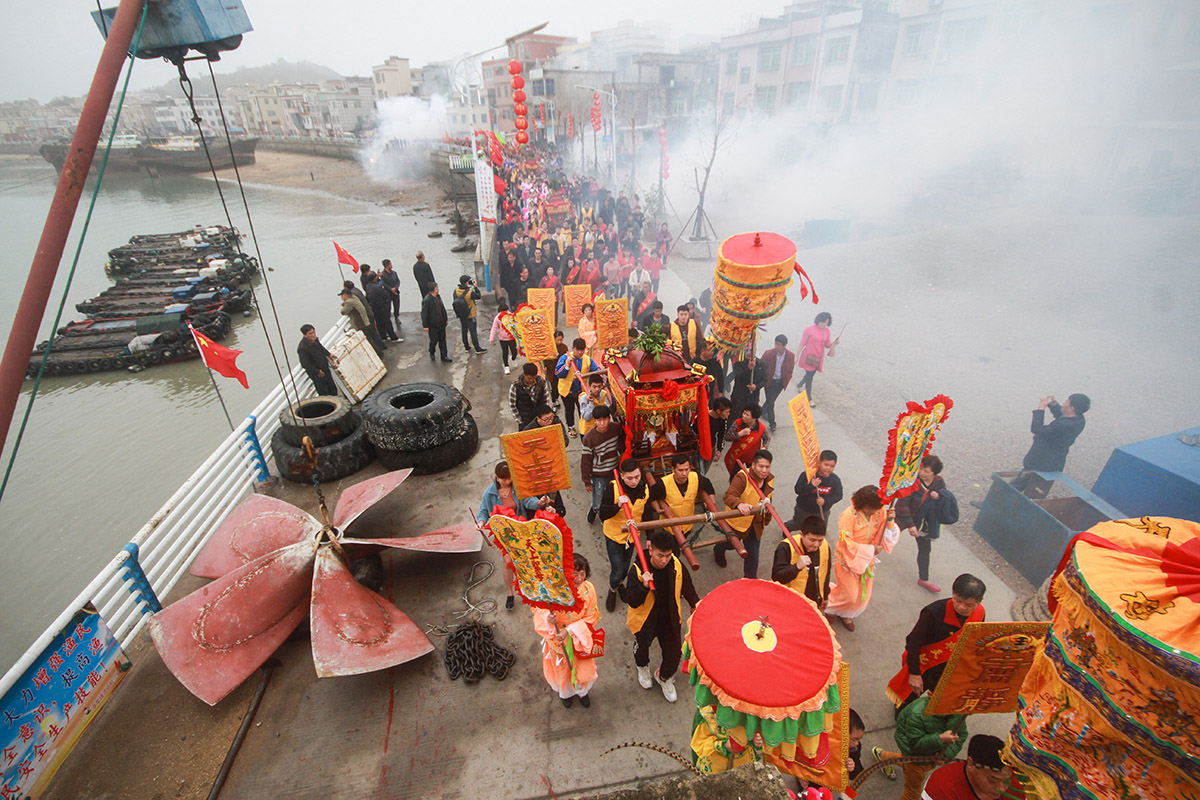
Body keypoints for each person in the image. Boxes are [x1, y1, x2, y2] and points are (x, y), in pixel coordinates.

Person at [619, 529, 700, 703]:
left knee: (674, 656)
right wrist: (643, 586)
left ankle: (663, 677)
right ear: (651, 551)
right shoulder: (638, 570)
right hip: (645, 621)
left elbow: (687, 586)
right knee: (641, 650)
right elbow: (631, 600)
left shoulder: (676, 564)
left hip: (669, 618)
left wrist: (695, 604)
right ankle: (643, 667)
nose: (664, 560)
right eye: (660, 555)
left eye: (668, 555)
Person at [885, 573, 986, 710]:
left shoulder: (980, 613)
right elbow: (913, 642)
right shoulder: (934, 612)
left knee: (941, 705)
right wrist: (914, 674)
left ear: (979, 602)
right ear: (953, 593)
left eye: (969, 605)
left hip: (948, 666)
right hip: (925, 665)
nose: (962, 607)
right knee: (906, 705)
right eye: (958, 600)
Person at [824, 486, 900, 631]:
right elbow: (847, 542)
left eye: (875, 508)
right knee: (850, 596)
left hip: (867, 559)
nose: (872, 512)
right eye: (869, 508)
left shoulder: (880, 512)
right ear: (861, 503)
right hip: (848, 560)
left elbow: (886, 531)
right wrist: (870, 550)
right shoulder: (848, 515)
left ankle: (846, 614)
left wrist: (890, 520)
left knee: (861, 596)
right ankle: (830, 608)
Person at [533, 553, 601, 708]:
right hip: (558, 642)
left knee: (583, 670)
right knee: (563, 673)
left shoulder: (588, 589)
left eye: (582, 574)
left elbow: (591, 616)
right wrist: (548, 619)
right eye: (574, 574)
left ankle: (582, 692)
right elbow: (539, 610)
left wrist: (570, 631)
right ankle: (565, 694)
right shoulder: (551, 591)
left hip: (579, 640)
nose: (578, 578)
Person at [477, 461, 547, 610]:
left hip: (521, 527)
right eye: (504, 479)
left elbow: (528, 501)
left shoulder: (518, 488)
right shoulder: (489, 493)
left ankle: (533, 587)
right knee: (508, 562)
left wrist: (538, 502)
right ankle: (510, 593)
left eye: (509, 478)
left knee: (529, 558)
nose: (507, 481)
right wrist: (481, 523)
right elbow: (483, 511)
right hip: (505, 533)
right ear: (497, 477)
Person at [872, 693, 967, 800]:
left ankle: (883, 756)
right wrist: (940, 739)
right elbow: (916, 743)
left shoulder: (956, 712)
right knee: (912, 792)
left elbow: (961, 734)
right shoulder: (916, 714)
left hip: (930, 757)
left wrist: (945, 755)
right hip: (915, 755)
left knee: (906, 763)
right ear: (931, 694)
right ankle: (883, 757)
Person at [895, 454, 959, 593]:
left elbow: (944, 494)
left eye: (926, 471)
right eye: (921, 469)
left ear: (934, 473)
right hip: (905, 515)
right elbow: (903, 503)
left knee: (925, 550)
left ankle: (924, 579)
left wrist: (939, 495)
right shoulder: (911, 481)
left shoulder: (939, 482)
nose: (921, 473)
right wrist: (910, 525)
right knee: (887, 535)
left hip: (923, 521)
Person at [714, 449, 775, 579]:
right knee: (729, 545)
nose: (764, 470)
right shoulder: (742, 477)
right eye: (761, 466)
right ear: (753, 465)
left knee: (753, 556)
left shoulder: (769, 479)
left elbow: (768, 499)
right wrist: (739, 504)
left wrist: (767, 517)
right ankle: (718, 550)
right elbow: (729, 496)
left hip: (755, 524)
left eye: (767, 467)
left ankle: (750, 580)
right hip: (736, 522)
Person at [599, 459, 650, 613]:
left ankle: (621, 584)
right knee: (617, 568)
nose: (634, 481)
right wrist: (617, 506)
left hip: (633, 536)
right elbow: (602, 514)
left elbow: (646, 514)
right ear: (621, 476)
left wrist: (649, 537)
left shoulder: (645, 488)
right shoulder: (613, 489)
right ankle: (612, 589)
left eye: (637, 477)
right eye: (629, 478)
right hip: (614, 536)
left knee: (626, 565)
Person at [1017, 393, 1090, 498]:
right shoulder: (1079, 420)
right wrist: (1054, 405)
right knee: (1034, 492)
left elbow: (1037, 429)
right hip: (1053, 463)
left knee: (1020, 488)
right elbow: (1063, 416)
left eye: (1066, 402)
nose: (1064, 403)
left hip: (1040, 462)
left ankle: (999, 505)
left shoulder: (1063, 426)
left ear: (1071, 409)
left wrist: (1041, 409)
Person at [921, 734, 1027, 800]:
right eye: (993, 780)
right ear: (971, 765)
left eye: (1006, 780)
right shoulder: (941, 789)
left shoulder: (1014, 789)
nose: (1002, 788)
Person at [647, 454, 720, 547]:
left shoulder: (695, 477)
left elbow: (708, 486)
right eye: (680, 470)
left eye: (687, 469)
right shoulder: (663, 484)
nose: (684, 473)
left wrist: (711, 503)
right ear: (673, 470)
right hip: (670, 528)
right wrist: (657, 509)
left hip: (687, 525)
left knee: (681, 544)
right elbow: (652, 496)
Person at [771, 515, 832, 608]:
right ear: (801, 534)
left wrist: (825, 596)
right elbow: (777, 577)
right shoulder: (786, 547)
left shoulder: (824, 546)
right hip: (789, 603)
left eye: (820, 540)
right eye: (812, 540)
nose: (816, 545)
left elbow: (826, 572)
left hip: (813, 601)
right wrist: (796, 567)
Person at [581, 406, 624, 525]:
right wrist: (587, 481)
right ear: (594, 421)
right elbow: (586, 460)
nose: (602, 423)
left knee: (613, 495)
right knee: (599, 498)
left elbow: (622, 440)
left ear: (609, 418)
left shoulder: (615, 428)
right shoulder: (589, 438)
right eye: (599, 420)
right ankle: (595, 511)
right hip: (599, 473)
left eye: (605, 419)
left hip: (614, 469)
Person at [555, 338, 600, 437]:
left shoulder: (588, 359)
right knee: (569, 410)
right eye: (577, 350)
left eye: (582, 350)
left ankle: (583, 427)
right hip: (567, 391)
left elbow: (595, 371)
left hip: (581, 392)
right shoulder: (564, 358)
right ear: (573, 348)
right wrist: (567, 365)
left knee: (582, 410)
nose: (579, 352)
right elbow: (558, 374)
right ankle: (570, 427)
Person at [795, 312, 839, 407]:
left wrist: (834, 343)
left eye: (826, 323)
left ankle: (800, 384)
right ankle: (809, 398)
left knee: (810, 375)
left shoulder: (827, 331)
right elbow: (802, 343)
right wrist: (797, 355)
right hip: (808, 357)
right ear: (818, 320)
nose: (824, 325)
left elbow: (827, 345)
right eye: (823, 322)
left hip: (818, 358)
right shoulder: (809, 330)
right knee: (810, 377)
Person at [792, 449, 844, 525]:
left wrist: (825, 501)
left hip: (823, 511)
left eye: (832, 466)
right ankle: (787, 528)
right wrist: (811, 485)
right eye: (826, 465)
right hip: (804, 509)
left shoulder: (835, 480)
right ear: (819, 463)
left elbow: (838, 495)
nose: (828, 468)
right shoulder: (808, 475)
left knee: (820, 529)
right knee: (798, 524)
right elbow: (798, 490)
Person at [723, 403, 770, 478]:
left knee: (753, 479)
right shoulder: (737, 423)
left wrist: (764, 447)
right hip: (737, 457)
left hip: (752, 459)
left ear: (754, 418)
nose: (743, 416)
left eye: (747, 415)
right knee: (735, 478)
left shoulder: (761, 428)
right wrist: (739, 434)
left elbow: (767, 438)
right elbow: (727, 437)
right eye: (744, 413)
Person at [759, 334, 794, 432]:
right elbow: (762, 366)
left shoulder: (790, 356)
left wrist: (787, 378)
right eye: (776, 344)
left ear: (784, 345)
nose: (776, 346)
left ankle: (762, 411)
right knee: (771, 402)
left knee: (771, 399)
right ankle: (772, 422)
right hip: (769, 381)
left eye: (779, 344)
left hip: (780, 383)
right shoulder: (769, 353)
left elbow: (790, 369)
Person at [339, 287, 385, 357]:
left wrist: (344, 304)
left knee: (368, 341)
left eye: (342, 296)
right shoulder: (354, 298)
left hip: (361, 325)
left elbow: (343, 312)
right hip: (366, 321)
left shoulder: (349, 302)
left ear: (345, 295)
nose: (341, 298)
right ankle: (380, 352)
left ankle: (379, 354)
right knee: (371, 338)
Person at [297, 324, 337, 396]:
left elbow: (321, 348)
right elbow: (305, 364)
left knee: (332, 388)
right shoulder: (303, 348)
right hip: (317, 374)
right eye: (310, 333)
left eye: (313, 332)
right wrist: (317, 371)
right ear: (305, 335)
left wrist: (329, 354)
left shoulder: (315, 340)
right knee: (324, 392)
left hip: (325, 368)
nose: (313, 335)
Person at [509, 362, 551, 428]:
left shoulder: (541, 382)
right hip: (525, 421)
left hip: (540, 420)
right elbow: (512, 405)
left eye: (534, 378)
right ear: (524, 374)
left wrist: (544, 418)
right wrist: (520, 421)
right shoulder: (515, 386)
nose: (532, 380)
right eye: (529, 378)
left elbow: (546, 400)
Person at [452, 274, 486, 355]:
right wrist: (475, 287)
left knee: (464, 331)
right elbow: (478, 296)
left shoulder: (456, 291)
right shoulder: (469, 292)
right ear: (467, 282)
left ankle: (466, 347)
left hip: (461, 315)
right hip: (470, 315)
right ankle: (477, 348)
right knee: (473, 332)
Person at [421, 282, 452, 363]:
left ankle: (444, 356)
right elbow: (424, 313)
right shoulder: (427, 300)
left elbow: (442, 308)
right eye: (437, 288)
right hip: (433, 325)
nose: (438, 289)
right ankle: (432, 351)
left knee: (442, 340)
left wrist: (445, 318)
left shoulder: (438, 297)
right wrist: (425, 325)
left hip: (441, 323)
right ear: (434, 289)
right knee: (434, 340)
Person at [701, 397, 733, 476]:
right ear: (718, 411)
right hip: (700, 447)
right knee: (700, 472)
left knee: (704, 471)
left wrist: (719, 449)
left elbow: (722, 435)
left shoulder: (723, 419)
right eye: (727, 412)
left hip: (711, 447)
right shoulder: (703, 416)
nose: (728, 414)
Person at [729, 354, 766, 421]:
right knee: (735, 418)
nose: (749, 352)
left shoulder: (760, 363)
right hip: (739, 397)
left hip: (753, 398)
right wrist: (748, 369)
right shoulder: (738, 362)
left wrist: (756, 386)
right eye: (747, 349)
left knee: (751, 419)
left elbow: (764, 379)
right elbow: (738, 377)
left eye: (751, 349)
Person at [365, 273, 398, 342]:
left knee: (379, 323)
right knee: (387, 322)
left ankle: (383, 337)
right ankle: (393, 338)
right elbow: (386, 296)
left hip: (374, 307)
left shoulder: (368, 286)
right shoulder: (377, 287)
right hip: (382, 307)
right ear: (374, 278)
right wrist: (387, 306)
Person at [847, 709, 866, 782]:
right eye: (853, 740)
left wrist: (852, 767)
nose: (856, 744)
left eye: (859, 740)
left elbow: (859, 774)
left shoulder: (855, 748)